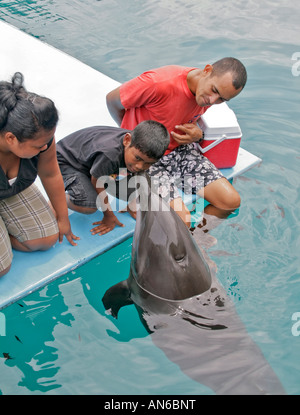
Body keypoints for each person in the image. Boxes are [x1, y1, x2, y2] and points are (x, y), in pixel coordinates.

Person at [106, 57, 247, 230]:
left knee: (230, 202)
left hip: (179, 152)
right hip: (147, 157)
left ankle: (196, 240)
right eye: (214, 90)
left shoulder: (206, 95)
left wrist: (199, 134)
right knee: (182, 219)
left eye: (221, 99)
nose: (212, 100)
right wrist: (130, 137)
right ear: (207, 70)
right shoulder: (158, 83)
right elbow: (112, 100)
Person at [0, 72, 79, 277]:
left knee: (46, 238)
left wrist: (63, 218)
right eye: (38, 145)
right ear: (11, 138)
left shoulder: (42, 141)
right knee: (2, 267)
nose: (45, 146)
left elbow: (51, 174)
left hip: (10, 189)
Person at [56, 120, 170, 236]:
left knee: (135, 186)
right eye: (137, 158)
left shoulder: (135, 147)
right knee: (90, 205)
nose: (140, 166)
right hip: (67, 162)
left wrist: (132, 203)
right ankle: (57, 200)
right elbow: (97, 182)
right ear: (127, 140)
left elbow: (139, 172)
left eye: (148, 163)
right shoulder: (110, 155)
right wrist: (108, 215)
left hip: (91, 162)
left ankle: (95, 174)